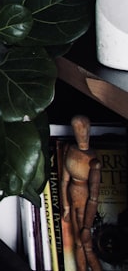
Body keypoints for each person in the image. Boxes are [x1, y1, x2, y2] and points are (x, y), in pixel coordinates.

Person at [62, 114, 102, 271]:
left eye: (82, 130)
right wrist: (65, 206)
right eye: (77, 130)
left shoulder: (93, 161)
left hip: (85, 204)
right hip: (73, 201)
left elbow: (93, 197)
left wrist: (87, 226)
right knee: (78, 244)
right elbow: (64, 181)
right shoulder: (70, 150)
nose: (80, 133)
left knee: (87, 246)